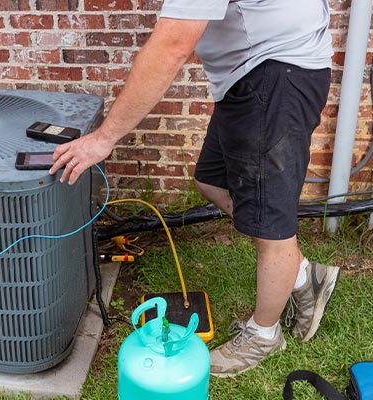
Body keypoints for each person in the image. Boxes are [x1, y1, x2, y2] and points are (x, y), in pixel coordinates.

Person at [49, 0, 341, 377]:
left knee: (270, 222)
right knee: (211, 181)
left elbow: (172, 45)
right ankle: (302, 275)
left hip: (276, 76)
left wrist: (105, 138)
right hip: (250, 76)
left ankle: (263, 334)